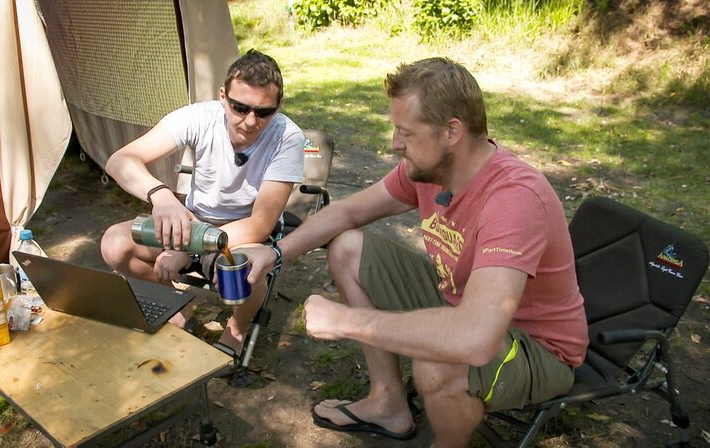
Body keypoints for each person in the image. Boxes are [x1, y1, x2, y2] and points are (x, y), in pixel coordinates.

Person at [239, 57, 589, 447]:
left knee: (437, 364)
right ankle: (387, 403)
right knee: (347, 247)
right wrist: (275, 252)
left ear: (451, 131)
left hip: (534, 348)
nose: (394, 143)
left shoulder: (514, 199)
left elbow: (475, 338)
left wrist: (347, 322)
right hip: (466, 308)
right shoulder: (431, 169)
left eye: (405, 132)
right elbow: (348, 211)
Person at [101, 49, 305, 354]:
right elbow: (120, 161)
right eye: (239, 108)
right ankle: (179, 305)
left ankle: (237, 330)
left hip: (242, 232)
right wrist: (161, 196)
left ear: (278, 107)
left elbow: (260, 225)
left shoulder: (287, 137)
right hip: (193, 220)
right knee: (114, 244)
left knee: (246, 269)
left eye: (263, 112)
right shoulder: (198, 116)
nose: (250, 121)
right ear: (223, 96)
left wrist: (183, 248)